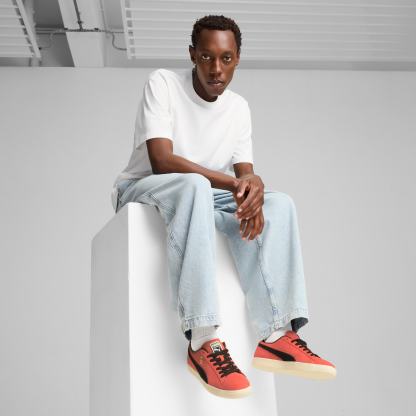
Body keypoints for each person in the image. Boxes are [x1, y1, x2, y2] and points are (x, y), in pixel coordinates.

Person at [111, 15, 336, 399]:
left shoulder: (238, 108)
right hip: (142, 188)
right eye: (206, 57)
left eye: (226, 58)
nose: (216, 68)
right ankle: (202, 340)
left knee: (280, 205)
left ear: (237, 59)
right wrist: (235, 184)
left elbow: (245, 175)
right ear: (192, 55)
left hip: (203, 195)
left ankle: (278, 335)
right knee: (194, 185)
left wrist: (254, 189)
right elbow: (161, 160)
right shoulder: (162, 83)